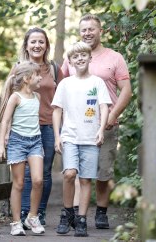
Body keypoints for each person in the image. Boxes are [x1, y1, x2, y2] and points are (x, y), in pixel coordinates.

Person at [61, 14, 132, 229]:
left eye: (92, 29)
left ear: (101, 31)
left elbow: (126, 91)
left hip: (104, 125)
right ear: (79, 32)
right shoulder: (72, 57)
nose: (88, 33)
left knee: (102, 171)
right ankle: (73, 214)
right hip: (76, 126)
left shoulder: (114, 57)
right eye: (84, 29)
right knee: (74, 171)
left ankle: (101, 212)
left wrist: (111, 117)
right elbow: (60, 86)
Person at [52, 41, 112, 237]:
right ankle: (67, 212)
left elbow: (104, 107)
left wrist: (101, 130)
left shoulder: (97, 83)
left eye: (83, 55)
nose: (79, 59)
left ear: (89, 57)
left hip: (91, 137)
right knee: (69, 174)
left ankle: (82, 219)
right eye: (75, 57)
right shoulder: (65, 83)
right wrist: (57, 136)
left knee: (86, 179)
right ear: (69, 61)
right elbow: (57, 111)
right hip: (70, 136)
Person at [10, 28, 64, 227]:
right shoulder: (19, 68)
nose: (37, 45)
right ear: (26, 45)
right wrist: (5, 129)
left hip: (48, 125)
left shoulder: (54, 69)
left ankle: (38, 213)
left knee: (45, 173)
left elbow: (66, 92)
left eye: (41, 42)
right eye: (33, 42)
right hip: (23, 128)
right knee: (24, 174)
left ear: (46, 46)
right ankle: (25, 212)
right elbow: (7, 95)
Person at [0, 61, 46, 236]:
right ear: (26, 78)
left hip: (35, 141)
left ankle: (32, 216)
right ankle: (16, 222)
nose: (40, 77)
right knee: (19, 183)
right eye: (37, 75)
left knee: (38, 180)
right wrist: (1, 145)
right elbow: (5, 122)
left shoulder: (37, 97)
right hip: (17, 142)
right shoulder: (15, 97)